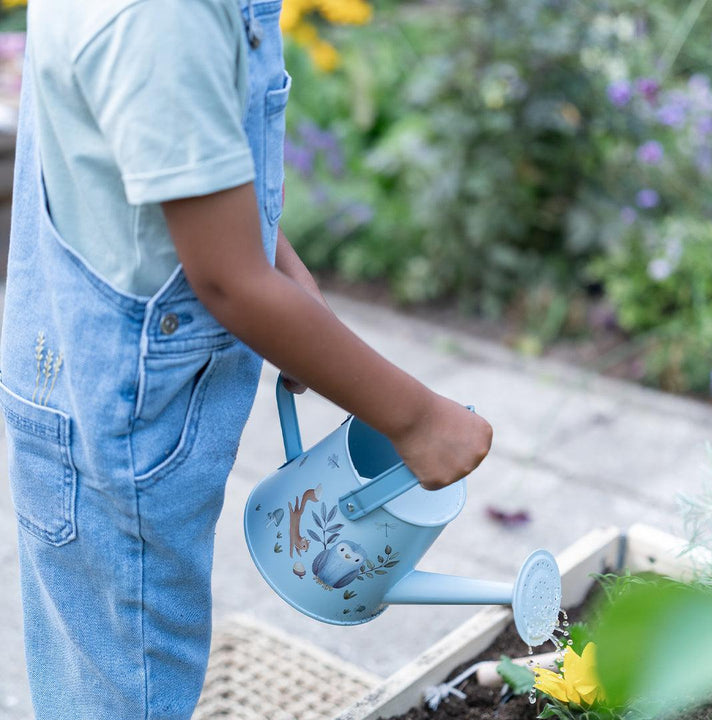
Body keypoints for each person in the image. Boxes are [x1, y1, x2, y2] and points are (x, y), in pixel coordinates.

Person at [0, 0, 493, 718]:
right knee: (131, 684)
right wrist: (416, 420)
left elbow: (153, 163)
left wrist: (275, 258)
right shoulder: (162, 20)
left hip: (70, 375)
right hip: (125, 419)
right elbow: (228, 280)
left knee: (100, 671)